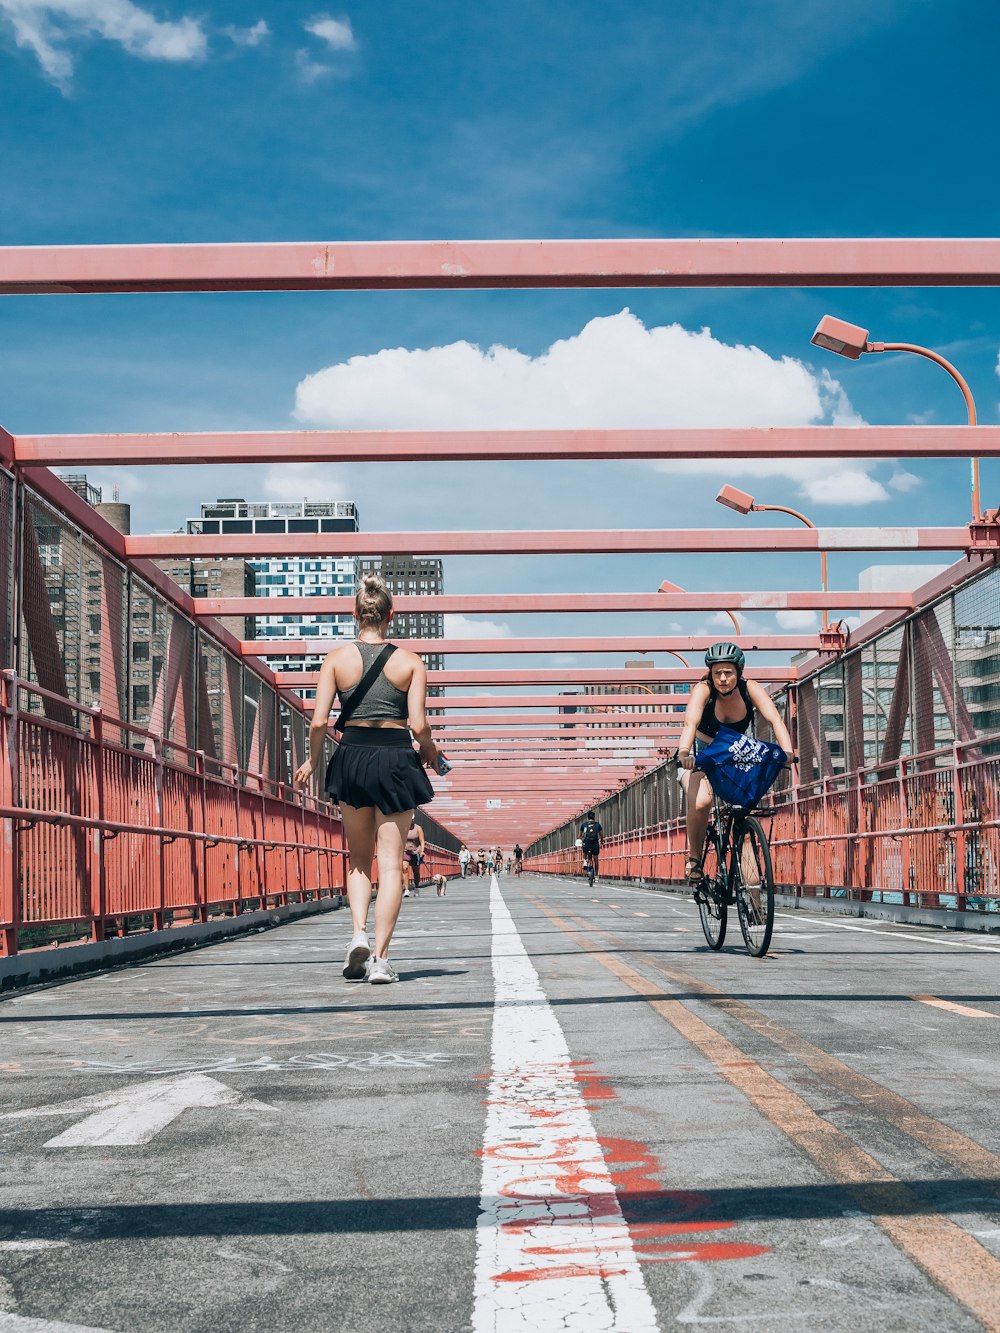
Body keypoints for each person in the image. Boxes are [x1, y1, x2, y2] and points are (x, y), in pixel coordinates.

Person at [294, 573, 439, 984]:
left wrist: (311, 761)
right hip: (395, 759)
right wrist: (429, 751)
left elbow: (320, 720)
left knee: (359, 861)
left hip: (352, 757)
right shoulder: (410, 662)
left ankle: (357, 933)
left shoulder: (335, 660)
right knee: (391, 867)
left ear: (355, 614)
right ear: (391, 615)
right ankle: (380, 960)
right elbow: (418, 724)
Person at [677, 642, 794, 885]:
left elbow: (774, 719)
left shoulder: (750, 688)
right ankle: (695, 859)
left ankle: (753, 898)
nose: (722, 678)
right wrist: (684, 752)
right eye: (717, 672)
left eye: (728, 672)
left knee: (743, 810)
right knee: (701, 802)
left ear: (738, 672)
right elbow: (690, 723)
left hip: (733, 754)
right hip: (701, 752)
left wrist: (787, 750)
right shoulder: (703, 689)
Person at [579, 810, 603, 881]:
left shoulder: (584, 825)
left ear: (588, 817)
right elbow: (601, 835)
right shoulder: (597, 824)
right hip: (595, 844)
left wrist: (580, 840)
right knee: (596, 859)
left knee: (585, 852)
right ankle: (596, 876)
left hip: (586, 843)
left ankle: (585, 862)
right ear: (594, 817)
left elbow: (579, 835)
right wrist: (602, 841)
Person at [405, 817, 425, 896]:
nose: (411, 820)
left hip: (415, 851)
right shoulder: (403, 827)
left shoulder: (418, 828)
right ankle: (406, 890)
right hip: (405, 851)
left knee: (416, 871)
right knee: (404, 868)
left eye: (412, 819)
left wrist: (422, 851)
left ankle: (416, 887)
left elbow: (422, 840)